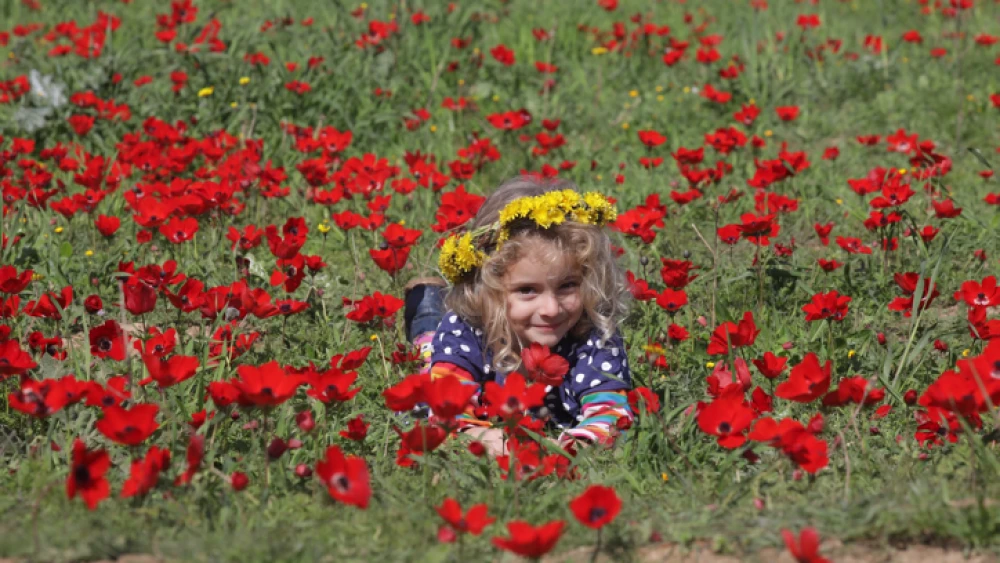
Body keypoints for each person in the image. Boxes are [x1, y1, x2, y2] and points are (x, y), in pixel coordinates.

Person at [403, 175, 633, 455]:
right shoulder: (465, 331)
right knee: (430, 354)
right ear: (488, 291)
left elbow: (611, 413)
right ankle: (426, 308)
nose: (551, 309)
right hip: (468, 344)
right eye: (527, 290)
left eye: (568, 286)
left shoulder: (593, 333)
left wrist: (573, 448)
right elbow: (447, 416)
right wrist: (492, 440)